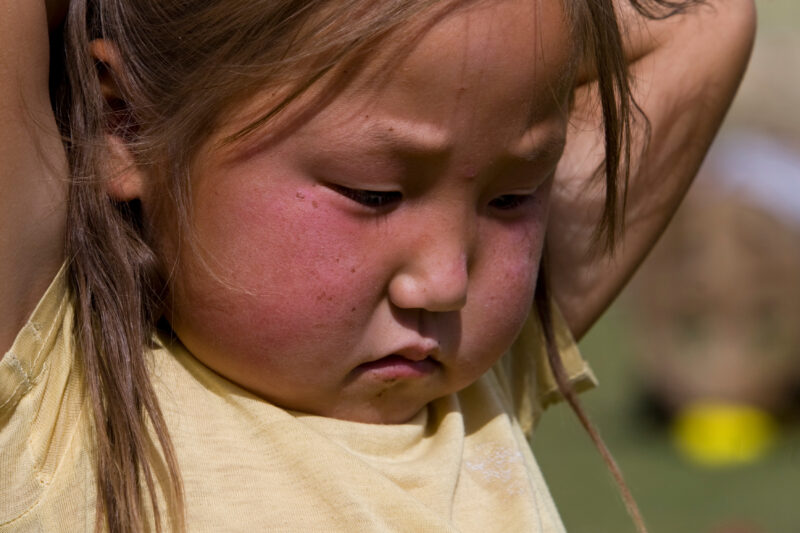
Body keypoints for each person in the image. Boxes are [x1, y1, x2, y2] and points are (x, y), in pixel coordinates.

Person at [0, 0, 755, 532]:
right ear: (124, 121)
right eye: (374, 193)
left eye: (512, 198)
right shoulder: (58, 403)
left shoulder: (471, 384)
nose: (447, 282)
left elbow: (705, 19)